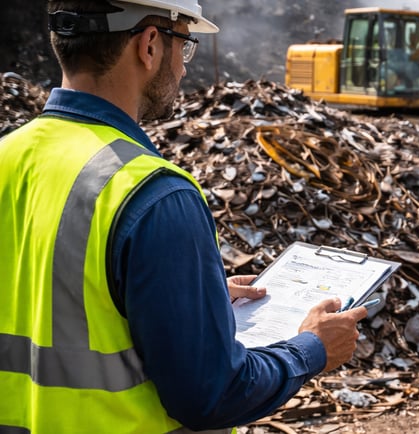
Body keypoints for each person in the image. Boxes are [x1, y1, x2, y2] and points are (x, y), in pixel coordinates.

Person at [0, 1, 367, 432]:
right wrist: (312, 348)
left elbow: (48, 294)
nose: (185, 68)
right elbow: (214, 394)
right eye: (185, 44)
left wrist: (187, 299)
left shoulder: (9, 156)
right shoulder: (153, 195)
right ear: (150, 45)